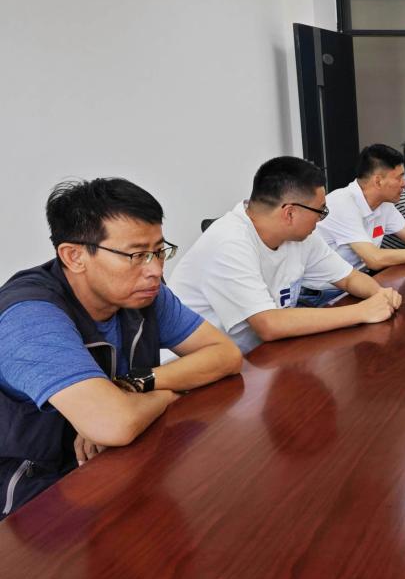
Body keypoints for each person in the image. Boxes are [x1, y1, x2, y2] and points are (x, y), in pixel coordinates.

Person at [0, 178, 242, 518]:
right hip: (33, 496)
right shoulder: (29, 315)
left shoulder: (142, 294)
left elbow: (225, 354)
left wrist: (135, 384)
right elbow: (114, 424)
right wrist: (169, 394)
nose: (155, 270)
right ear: (74, 256)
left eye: (159, 251)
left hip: (115, 468)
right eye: (137, 255)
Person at [168, 156, 402, 354]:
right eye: (321, 211)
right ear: (289, 213)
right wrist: (362, 312)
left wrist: (381, 295)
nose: (322, 218)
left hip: (261, 356)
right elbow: (269, 325)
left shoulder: (301, 237)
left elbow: (349, 278)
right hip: (201, 369)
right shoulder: (229, 242)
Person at [317, 144, 405, 265]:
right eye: (399, 178)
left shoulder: (384, 203)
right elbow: (374, 259)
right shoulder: (342, 204)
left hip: (358, 278)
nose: (404, 184)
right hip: (328, 289)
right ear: (378, 181)